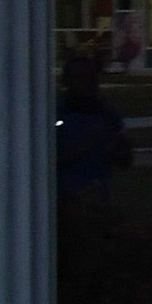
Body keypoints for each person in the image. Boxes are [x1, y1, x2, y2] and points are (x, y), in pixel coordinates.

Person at [54, 54, 133, 215]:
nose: (86, 84)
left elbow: (124, 162)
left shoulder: (108, 115)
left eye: (90, 78)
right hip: (62, 203)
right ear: (66, 81)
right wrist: (85, 147)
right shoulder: (56, 113)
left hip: (98, 201)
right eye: (79, 78)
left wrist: (121, 149)